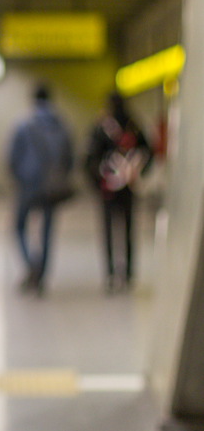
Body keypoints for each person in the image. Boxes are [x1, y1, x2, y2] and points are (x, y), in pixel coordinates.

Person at [6, 83, 74, 295]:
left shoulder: (23, 124)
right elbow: (70, 158)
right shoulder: (61, 125)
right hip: (51, 186)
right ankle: (41, 275)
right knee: (47, 231)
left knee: (19, 226)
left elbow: (11, 158)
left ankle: (30, 266)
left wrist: (20, 178)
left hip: (28, 184)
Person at [86, 91, 150, 294]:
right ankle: (129, 273)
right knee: (129, 230)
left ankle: (111, 273)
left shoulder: (101, 127)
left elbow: (89, 159)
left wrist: (98, 182)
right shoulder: (134, 124)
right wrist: (138, 174)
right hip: (129, 188)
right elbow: (148, 150)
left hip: (108, 189)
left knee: (109, 230)